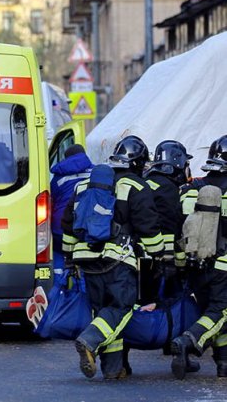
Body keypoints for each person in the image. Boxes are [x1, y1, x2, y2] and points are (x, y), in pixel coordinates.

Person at [62, 135, 164, 380]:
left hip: (86, 259)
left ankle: (113, 369)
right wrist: (160, 253)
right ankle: (90, 341)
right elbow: (148, 228)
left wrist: (70, 258)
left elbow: (68, 225)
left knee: (103, 311)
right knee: (121, 307)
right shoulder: (136, 186)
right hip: (117, 261)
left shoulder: (83, 185)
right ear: (138, 163)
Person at [170, 134, 227, 379]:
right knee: (221, 311)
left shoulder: (192, 188)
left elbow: (180, 226)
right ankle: (187, 342)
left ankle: (224, 364)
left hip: (196, 264)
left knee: (212, 312)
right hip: (223, 266)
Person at [141, 141, 193, 307]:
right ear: (177, 163)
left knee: (142, 299)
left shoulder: (146, 181)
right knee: (160, 302)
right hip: (158, 257)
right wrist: (172, 262)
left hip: (138, 254)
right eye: (186, 164)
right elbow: (170, 227)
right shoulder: (168, 188)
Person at [50, 144, 93, 281]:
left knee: (58, 253)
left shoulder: (58, 177)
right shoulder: (96, 172)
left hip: (62, 226)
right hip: (89, 225)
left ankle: (59, 287)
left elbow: (52, 200)